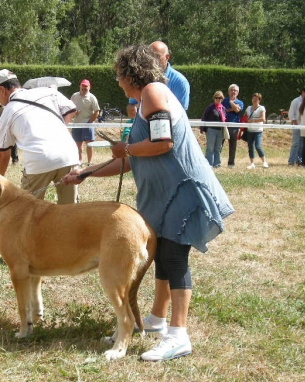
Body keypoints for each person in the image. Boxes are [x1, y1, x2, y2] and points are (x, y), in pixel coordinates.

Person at [63, 45, 234, 362]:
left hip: (182, 188)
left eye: (118, 74)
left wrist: (126, 148)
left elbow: (162, 142)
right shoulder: (146, 99)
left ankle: (178, 335)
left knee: (174, 257)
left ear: (131, 73)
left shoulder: (154, 92)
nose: (117, 81)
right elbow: (132, 159)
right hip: (166, 193)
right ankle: (156, 320)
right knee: (164, 254)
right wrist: (87, 172)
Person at [0, 68, 79, 203]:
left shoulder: (8, 112)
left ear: (2, 89)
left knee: (25, 211)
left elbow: (3, 154)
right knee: (69, 210)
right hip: (68, 154)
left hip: (39, 160)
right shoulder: (47, 92)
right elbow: (72, 109)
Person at [149, 41, 190, 110]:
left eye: (157, 56)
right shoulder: (141, 77)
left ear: (167, 57)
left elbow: (180, 112)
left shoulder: (180, 81)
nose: (152, 60)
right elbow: (131, 108)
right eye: (150, 56)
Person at [71, 79, 100, 165]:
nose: (84, 88)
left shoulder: (92, 97)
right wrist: (74, 113)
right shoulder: (74, 96)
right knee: (78, 144)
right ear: (80, 86)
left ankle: (90, 162)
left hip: (88, 124)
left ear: (89, 87)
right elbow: (70, 108)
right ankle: (79, 161)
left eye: (86, 87)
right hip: (76, 123)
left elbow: (97, 111)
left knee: (89, 144)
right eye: (82, 86)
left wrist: (89, 122)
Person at [200, 90, 226, 168]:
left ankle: (217, 164)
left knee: (218, 148)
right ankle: (209, 164)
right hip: (211, 130)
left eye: (220, 98)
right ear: (214, 98)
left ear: (222, 99)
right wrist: (202, 128)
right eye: (216, 97)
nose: (218, 99)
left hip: (220, 130)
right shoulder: (210, 107)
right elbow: (204, 117)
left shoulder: (223, 108)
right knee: (210, 148)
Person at [244, 93, 269, 169]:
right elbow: (245, 116)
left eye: (257, 99)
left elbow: (263, 118)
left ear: (259, 100)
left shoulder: (261, 108)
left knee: (258, 146)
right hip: (249, 130)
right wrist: (246, 119)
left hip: (258, 130)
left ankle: (264, 162)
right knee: (250, 147)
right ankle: (252, 163)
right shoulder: (248, 108)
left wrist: (253, 120)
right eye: (253, 98)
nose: (255, 100)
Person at [222, 84, 243, 167]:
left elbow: (237, 110)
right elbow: (222, 109)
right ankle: (217, 162)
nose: (233, 92)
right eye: (232, 90)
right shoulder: (223, 101)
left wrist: (231, 103)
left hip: (234, 127)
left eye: (235, 90)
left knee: (233, 145)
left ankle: (231, 163)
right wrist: (233, 108)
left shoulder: (240, 102)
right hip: (224, 125)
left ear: (238, 92)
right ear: (228, 91)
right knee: (220, 144)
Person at [288, 86, 305, 165]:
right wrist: (296, 124)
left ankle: (299, 160)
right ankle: (291, 161)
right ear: (302, 92)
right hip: (297, 125)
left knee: (302, 144)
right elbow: (291, 114)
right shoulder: (295, 101)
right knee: (296, 143)